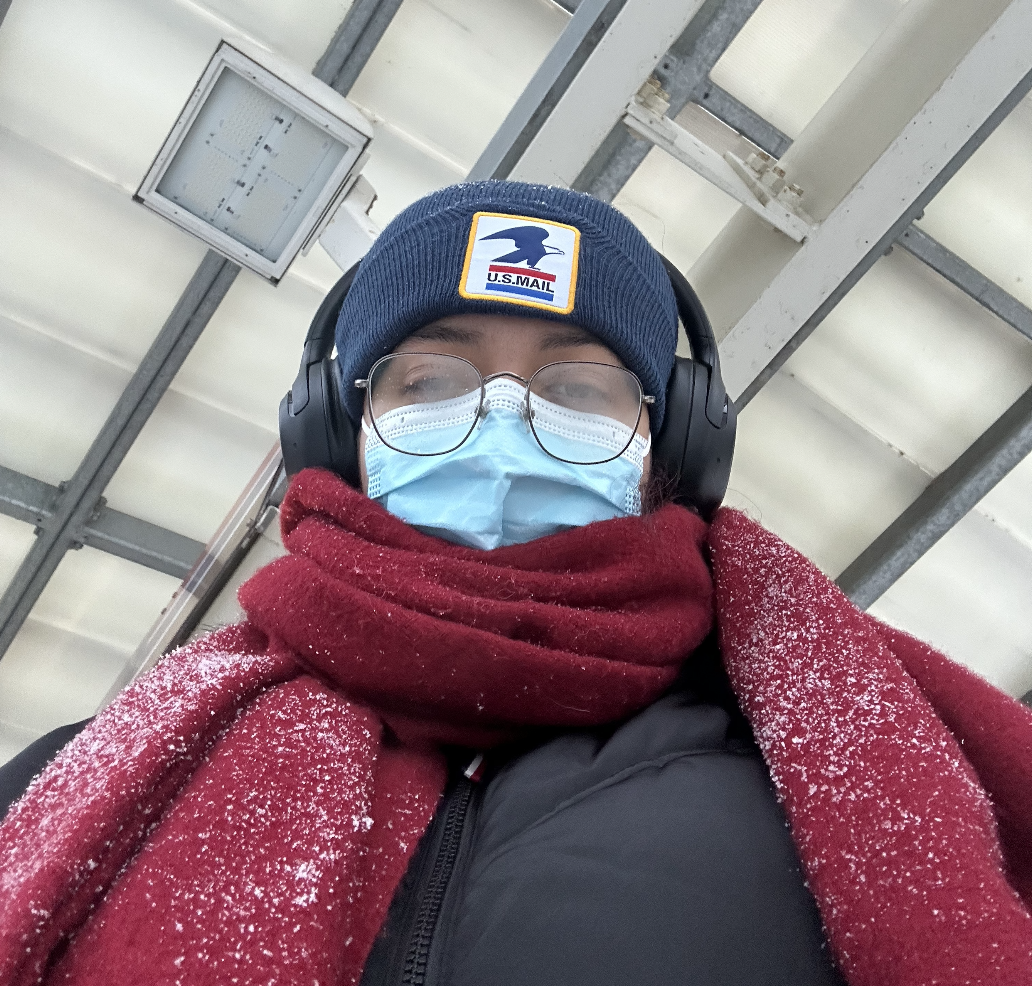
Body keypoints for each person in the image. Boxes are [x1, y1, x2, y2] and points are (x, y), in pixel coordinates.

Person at [1, 181, 1031, 986]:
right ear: (340, 433)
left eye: (578, 386)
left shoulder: (827, 772)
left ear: (669, 445)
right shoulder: (95, 776)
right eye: (429, 379)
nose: (502, 420)